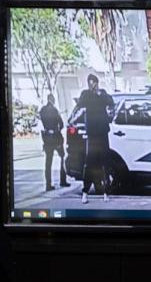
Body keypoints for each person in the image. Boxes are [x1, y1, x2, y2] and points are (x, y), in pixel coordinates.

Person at [78, 74, 115, 203]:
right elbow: (80, 103)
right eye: (90, 82)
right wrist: (91, 93)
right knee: (89, 164)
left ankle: (106, 192)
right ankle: (85, 192)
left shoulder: (102, 94)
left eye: (94, 82)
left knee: (105, 163)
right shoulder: (86, 94)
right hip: (92, 135)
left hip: (103, 134)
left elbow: (111, 102)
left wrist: (100, 93)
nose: (92, 84)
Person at [38, 93, 69, 191]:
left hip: (47, 139)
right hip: (56, 138)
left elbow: (41, 126)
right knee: (62, 158)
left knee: (48, 162)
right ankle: (62, 180)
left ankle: (48, 184)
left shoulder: (42, 111)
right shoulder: (55, 111)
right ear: (53, 100)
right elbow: (61, 124)